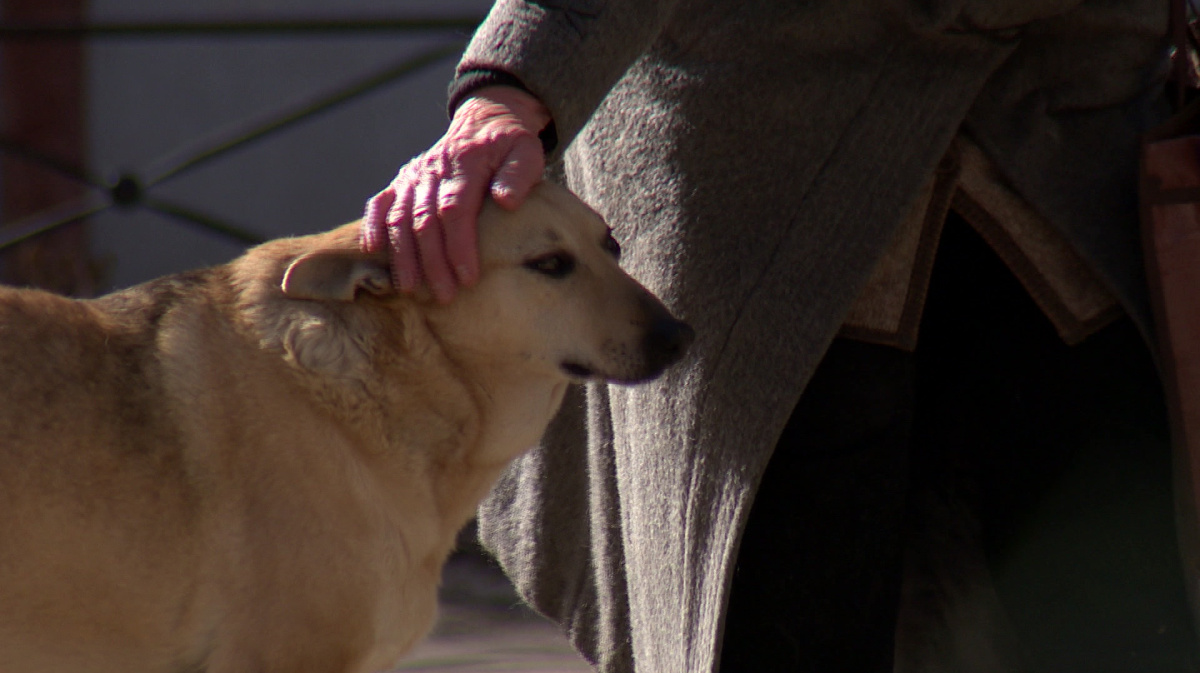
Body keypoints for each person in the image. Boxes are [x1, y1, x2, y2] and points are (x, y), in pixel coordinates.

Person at [362, 2, 1198, 671]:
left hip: (1076, 157)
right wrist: (510, 88)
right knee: (784, 620)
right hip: (769, 185)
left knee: (1127, 613)